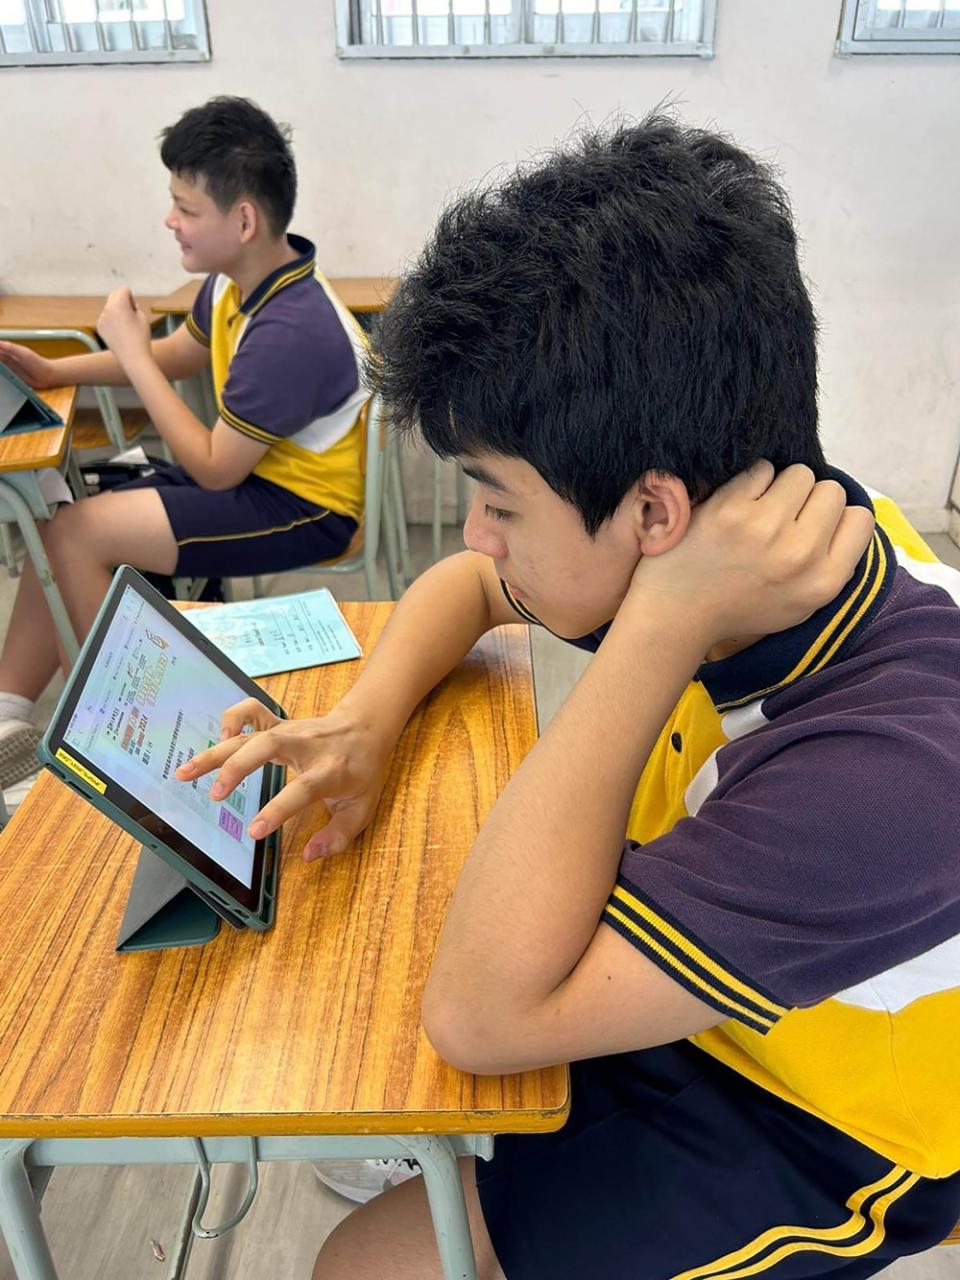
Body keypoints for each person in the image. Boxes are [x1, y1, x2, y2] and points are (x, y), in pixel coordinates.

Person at [179, 115, 960, 1279]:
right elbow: (465, 588)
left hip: (813, 1124)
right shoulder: (757, 531)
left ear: (654, 515)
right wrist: (364, 722)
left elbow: (481, 1015)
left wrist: (658, 628)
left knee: (361, 1263)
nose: (478, 534)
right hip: (688, 973)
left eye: (498, 500)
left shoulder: (895, 769)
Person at [0, 96, 366, 795]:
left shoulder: (291, 330)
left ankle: (117, 753)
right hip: (249, 477)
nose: (170, 220)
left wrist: (129, 349)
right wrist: (56, 372)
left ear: (244, 221)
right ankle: (7, 716)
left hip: (303, 507)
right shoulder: (239, 280)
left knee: (78, 535)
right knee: (59, 517)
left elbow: (214, 466)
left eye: (185, 208)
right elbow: (176, 357)